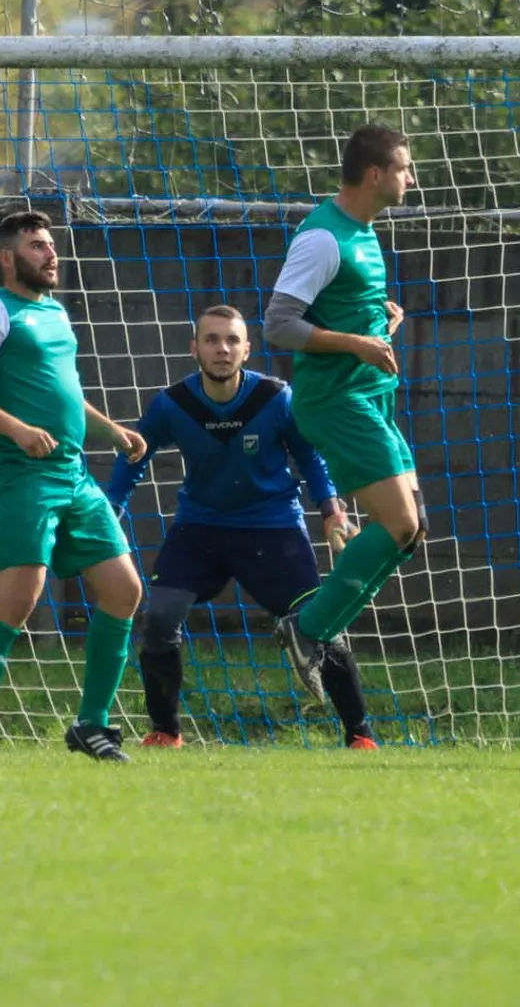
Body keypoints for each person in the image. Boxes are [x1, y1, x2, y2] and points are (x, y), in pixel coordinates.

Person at [109, 305, 377, 749]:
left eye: (232, 340)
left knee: (319, 622)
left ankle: (359, 734)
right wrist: (109, 510)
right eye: (212, 339)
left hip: (272, 529)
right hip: (200, 530)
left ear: (247, 350)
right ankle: (165, 731)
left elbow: (310, 457)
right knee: (159, 619)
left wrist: (331, 508)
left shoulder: (276, 397)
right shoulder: (172, 404)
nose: (222, 349)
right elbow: (133, 457)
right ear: (194, 348)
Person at [0, 211, 148, 764]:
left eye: (52, 245)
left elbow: (64, 393)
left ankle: (92, 724)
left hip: (75, 474)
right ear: (8, 258)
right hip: (21, 476)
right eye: (37, 246)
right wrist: (16, 429)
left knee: (124, 591)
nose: (51, 254)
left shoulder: (56, 313)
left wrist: (110, 431)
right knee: (18, 601)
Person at [263, 123, 424, 693]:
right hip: (336, 402)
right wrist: (357, 343)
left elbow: (338, 305)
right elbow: (278, 324)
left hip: (370, 397)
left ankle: (317, 624)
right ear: (375, 174)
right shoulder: (323, 237)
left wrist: (378, 322)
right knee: (399, 523)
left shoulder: (364, 231)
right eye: (405, 168)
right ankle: (309, 627)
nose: (412, 178)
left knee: (411, 531)